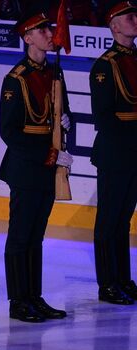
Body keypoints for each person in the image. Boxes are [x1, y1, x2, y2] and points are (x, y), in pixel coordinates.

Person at [0, 9, 74, 322]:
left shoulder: (54, 73)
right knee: (20, 235)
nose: (48, 33)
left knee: (36, 235)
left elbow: (63, 114)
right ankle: (19, 301)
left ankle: (34, 296)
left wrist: (65, 130)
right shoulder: (16, 79)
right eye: (41, 30)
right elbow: (10, 132)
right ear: (28, 38)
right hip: (26, 166)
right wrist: (48, 156)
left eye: (48, 28)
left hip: (47, 165)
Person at [90, 0, 137, 305]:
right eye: (127, 17)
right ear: (114, 26)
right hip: (117, 151)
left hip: (134, 153)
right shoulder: (105, 65)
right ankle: (107, 283)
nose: (135, 19)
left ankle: (122, 278)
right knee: (109, 219)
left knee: (123, 217)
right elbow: (103, 116)